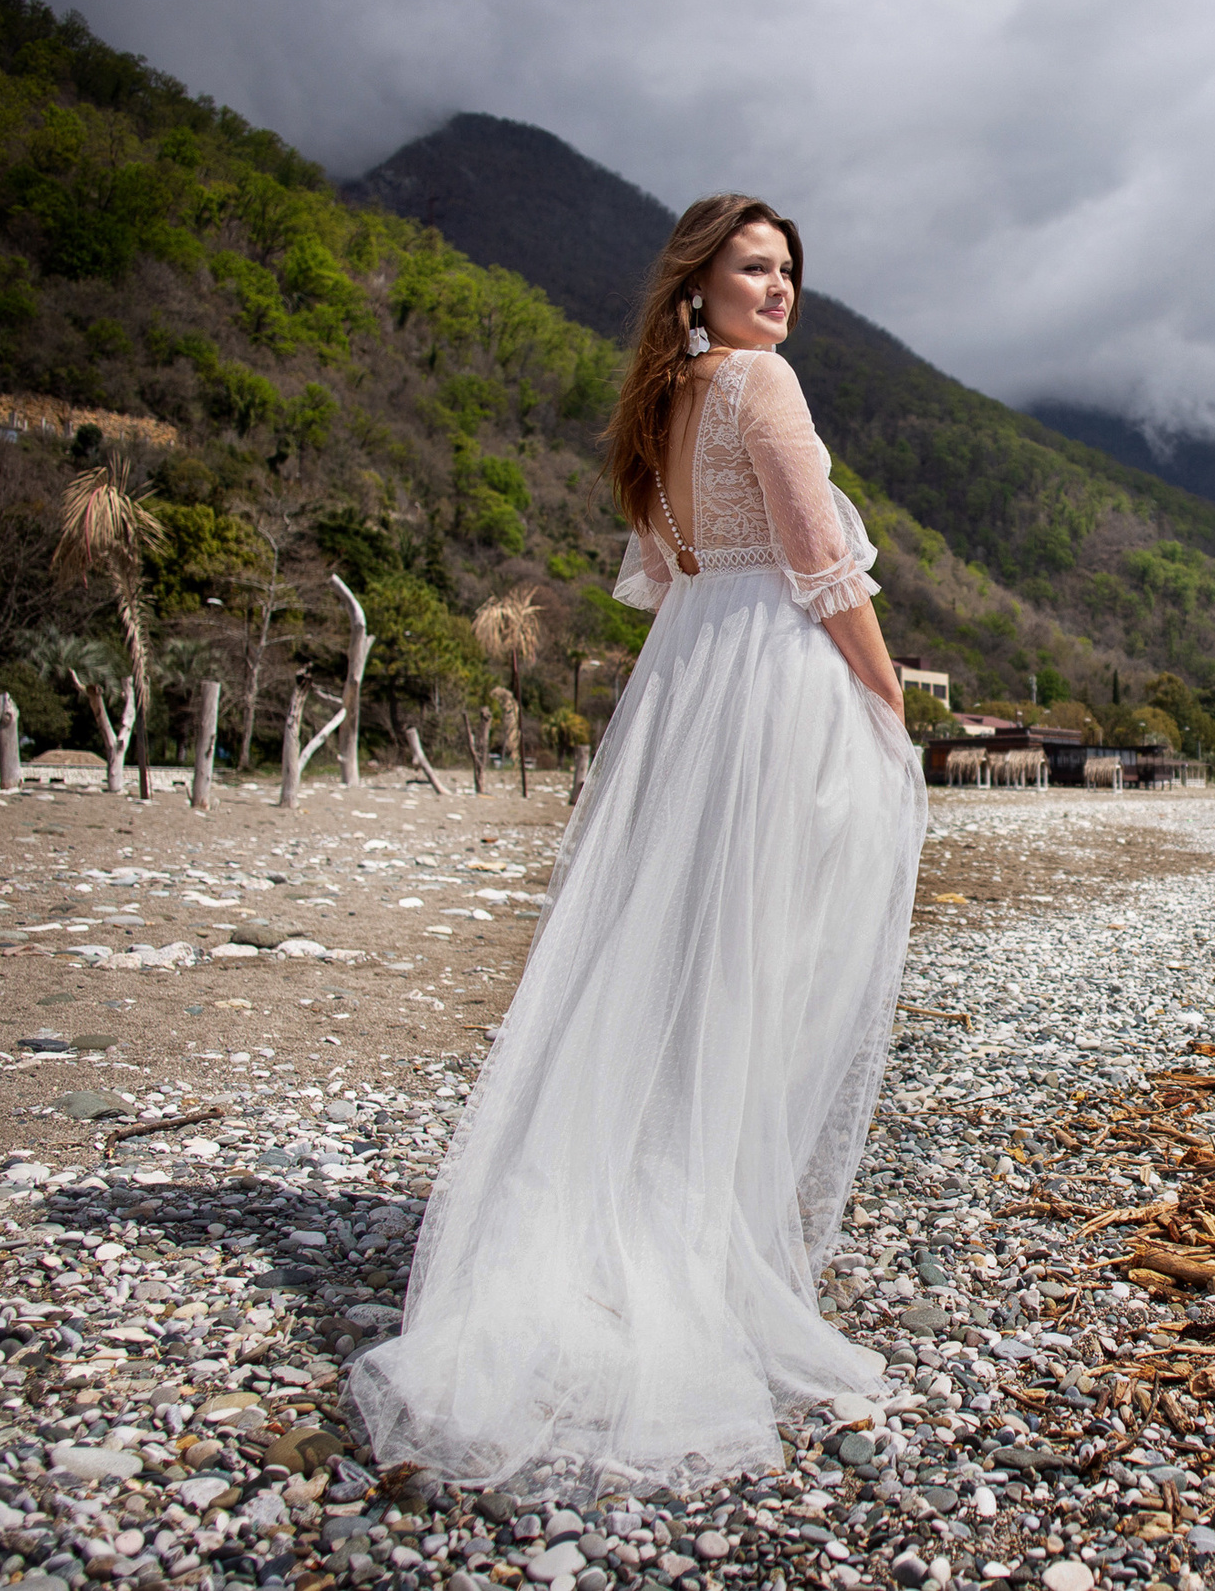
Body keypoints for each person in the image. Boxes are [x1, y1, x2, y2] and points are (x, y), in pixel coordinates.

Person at [348, 195, 927, 1498]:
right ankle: (691, 1241)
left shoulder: (663, 403)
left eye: (789, 273)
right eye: (753, 268)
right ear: (699, 280)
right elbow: (821, 560)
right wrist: (887, 709)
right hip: (767, 677)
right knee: (748, 955)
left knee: (667, 953)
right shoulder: (762, 386)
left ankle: (642, 1218)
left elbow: (666, 572)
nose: (778, 293)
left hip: (686, 681)